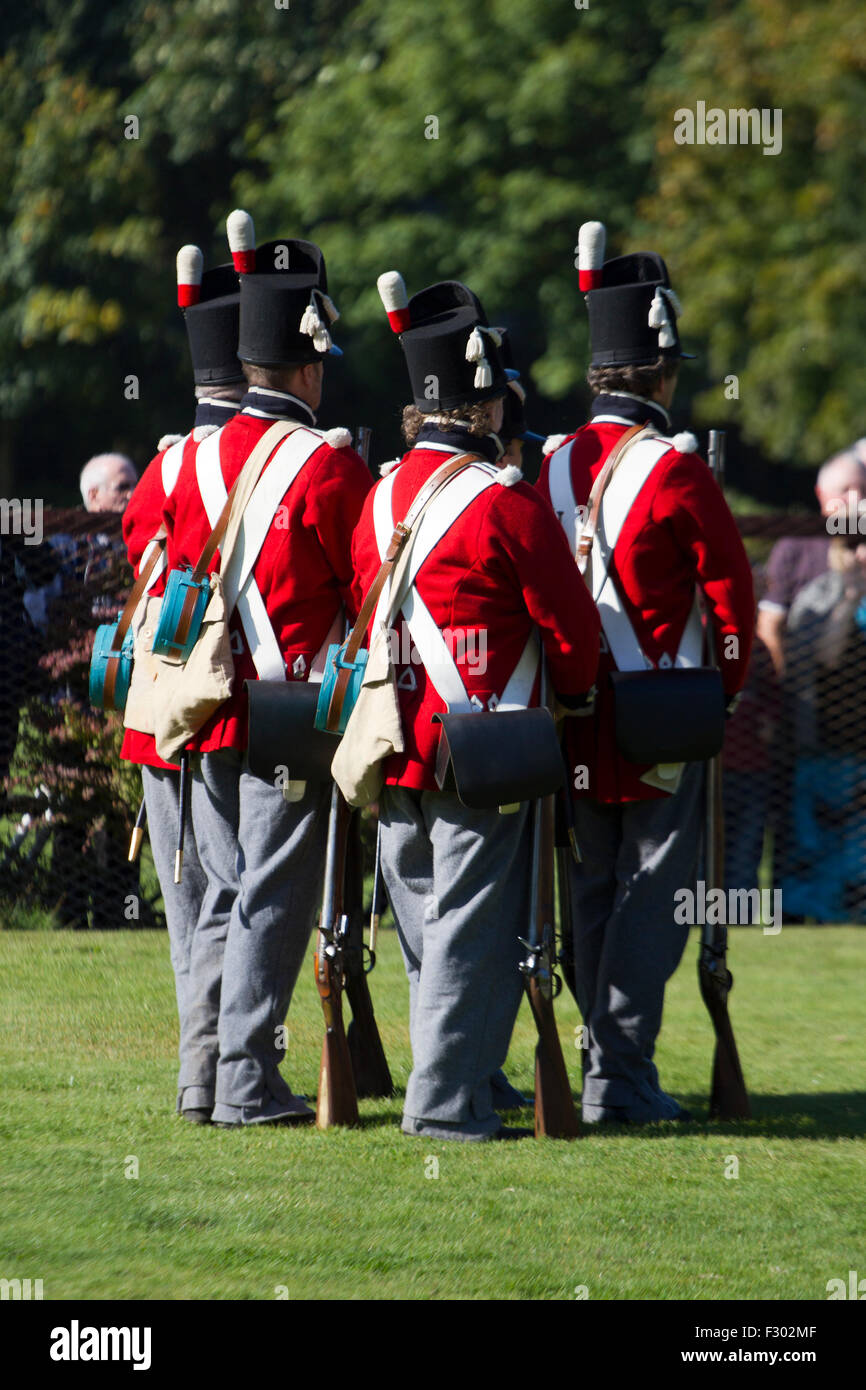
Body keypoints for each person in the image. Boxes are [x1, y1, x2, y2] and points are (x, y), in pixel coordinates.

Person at [350, 273, 600, 1142]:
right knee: (461, 930)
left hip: (394, 741)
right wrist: (570, 699)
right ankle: (445, 1103)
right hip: (484, 745)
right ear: (487, 410)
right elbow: (571, 634)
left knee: (426, 923)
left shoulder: (376, 497)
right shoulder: (506, 503)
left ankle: (465, 1079)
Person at [537, 222, 754, 1124]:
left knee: (593, 887)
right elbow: (734, 609)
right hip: (661, 715)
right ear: (660, 373)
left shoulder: (546, 461)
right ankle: (619, 1076)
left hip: (573, 713)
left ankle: (604, 1064)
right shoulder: (677, 471)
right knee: (654, 896)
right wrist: (713, 697)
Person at [161, 231, 371, 1127]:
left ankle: (199, 1079)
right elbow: (365, 584)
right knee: (271, 899)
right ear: (310, 365)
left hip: (206, 703)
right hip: (289, 711)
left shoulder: (187, 459)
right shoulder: (328, 465)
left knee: (219, 893)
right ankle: (247, 1079)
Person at [120, 226, 247, 1121]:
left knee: (186, 894)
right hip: (227, 704)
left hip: (156, 707)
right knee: (229, 889)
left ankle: (200, 1072)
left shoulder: (161, 467)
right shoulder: (256, 459)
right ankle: (208, 1076)